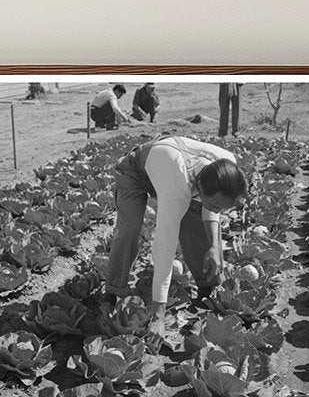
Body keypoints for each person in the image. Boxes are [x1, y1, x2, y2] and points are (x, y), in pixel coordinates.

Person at [105, 137, 248, 335]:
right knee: (129, 230)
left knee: (198, 222)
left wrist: (215, 247)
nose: (218, 211)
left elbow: (211, 210)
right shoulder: (177, 188)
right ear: (200, 189)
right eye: (216, 206)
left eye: (223, 208)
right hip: (136, 172)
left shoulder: (227, 167)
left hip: (171, 168)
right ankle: (114, 292)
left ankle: (209, 287)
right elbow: (165, 245)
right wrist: (158, 315)